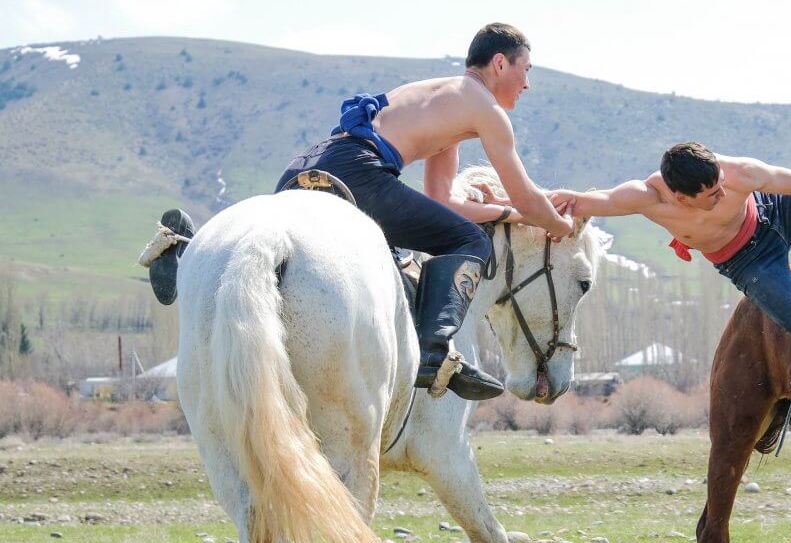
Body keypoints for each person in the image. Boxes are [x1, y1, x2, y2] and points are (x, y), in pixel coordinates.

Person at [150, 23, 572, 401]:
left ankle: (186, 259)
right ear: (500, 63)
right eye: (526, 69)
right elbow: (529, 198)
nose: (527, 83)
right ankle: (434, 351)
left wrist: (511, 215)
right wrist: (560, 226)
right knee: (470, 240)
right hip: (357, 174)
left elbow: (441, 205)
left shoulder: (447, 101)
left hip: (308, 165)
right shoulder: (487, 110)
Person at [548, 142, 791, 426]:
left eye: (722, 186)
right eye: (712, 196)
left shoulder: (739, 173)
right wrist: (515, 206)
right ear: (681, 198)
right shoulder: (647, 199)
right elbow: (586, 202)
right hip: (749, 262)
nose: (723, 195)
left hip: (776, 212)